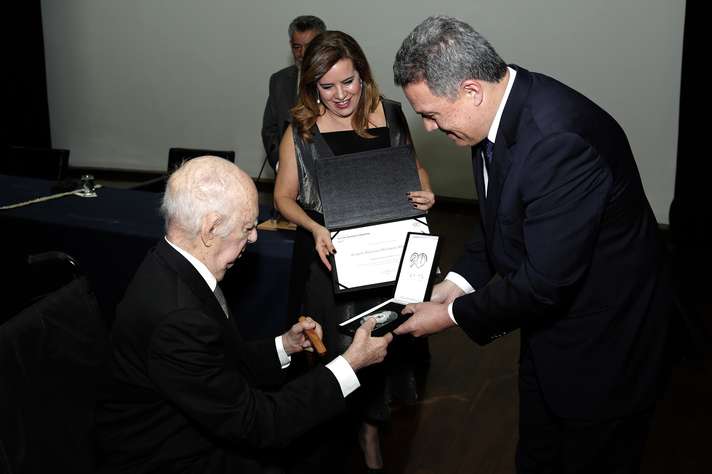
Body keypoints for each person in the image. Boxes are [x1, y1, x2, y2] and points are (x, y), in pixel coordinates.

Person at [392, 15, 671, 473]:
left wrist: (449, 316)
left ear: (470, 90)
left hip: (604, 345)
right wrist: (458, 284)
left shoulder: (558, 142)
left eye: (430, 114)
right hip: (550, 337)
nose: (428, 128)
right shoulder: (491, 114)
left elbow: (544, 283)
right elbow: (497, 215)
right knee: (538, 454)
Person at [95, 156, 393, 474]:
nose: (253, 238)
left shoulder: (174, 264)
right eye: (248, 226)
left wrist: (284, 345)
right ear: (210, 229)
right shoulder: (178, 316)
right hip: (169, 455)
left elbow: (217, 360)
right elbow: (259, 424)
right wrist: (349, 365)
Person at [274, 31, 435, 473]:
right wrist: (313, 226)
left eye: (348, 82)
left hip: (388, 255)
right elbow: (283, 197)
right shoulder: (301, 132)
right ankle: (338, 428)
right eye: (327, 86)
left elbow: (415, 168)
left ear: (362, 75)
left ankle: (369, 429)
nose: (341, 95)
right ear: (313, 87)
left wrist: (426, 191)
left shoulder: (391, 115)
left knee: (386, 346)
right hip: (335, 260)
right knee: (342, 350)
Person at [261, 15, 326, 173]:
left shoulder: (335, 79)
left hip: (326, 172)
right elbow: (270, 130)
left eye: (309, 46)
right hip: (286, 174)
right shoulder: (279, 80)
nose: (302, 53)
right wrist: (280, 164)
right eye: (297, 47)